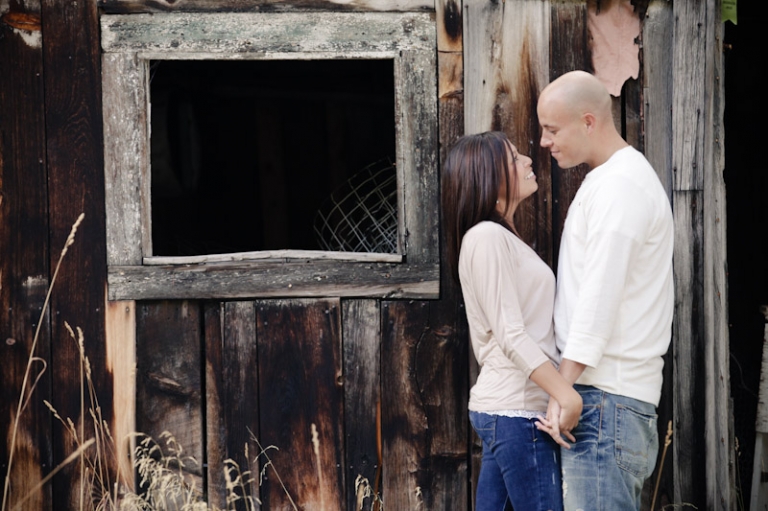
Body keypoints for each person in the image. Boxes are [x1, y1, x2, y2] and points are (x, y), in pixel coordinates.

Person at [535, 71, 674, 510]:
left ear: (589, 122)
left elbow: (599, 299)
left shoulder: (622, 186)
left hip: (604, 401)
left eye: (552, 129)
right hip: (601, 400)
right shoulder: (609, 179)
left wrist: (564, 388)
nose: (543, 141)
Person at [442, 131, 583, 511]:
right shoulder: (486, 237)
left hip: (510, 411)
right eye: (514, 157)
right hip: (517, 413)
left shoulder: (500, 238)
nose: (528, 160)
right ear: (489, 178)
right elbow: (510, 335)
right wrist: (565, 393)